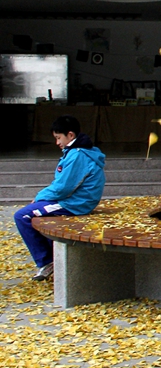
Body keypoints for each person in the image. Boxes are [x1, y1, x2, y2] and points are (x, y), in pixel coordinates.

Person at [14, 115, 106, 280]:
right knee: (37, 214)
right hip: (75, 200)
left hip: (74, 203)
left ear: (70, 135)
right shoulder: (81, 151)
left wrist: (39, 196)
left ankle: (46, 262)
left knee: (22, 215)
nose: (57, 143)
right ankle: (52, 258)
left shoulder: (77, 155)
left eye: (58, 138)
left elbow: (63, 188)